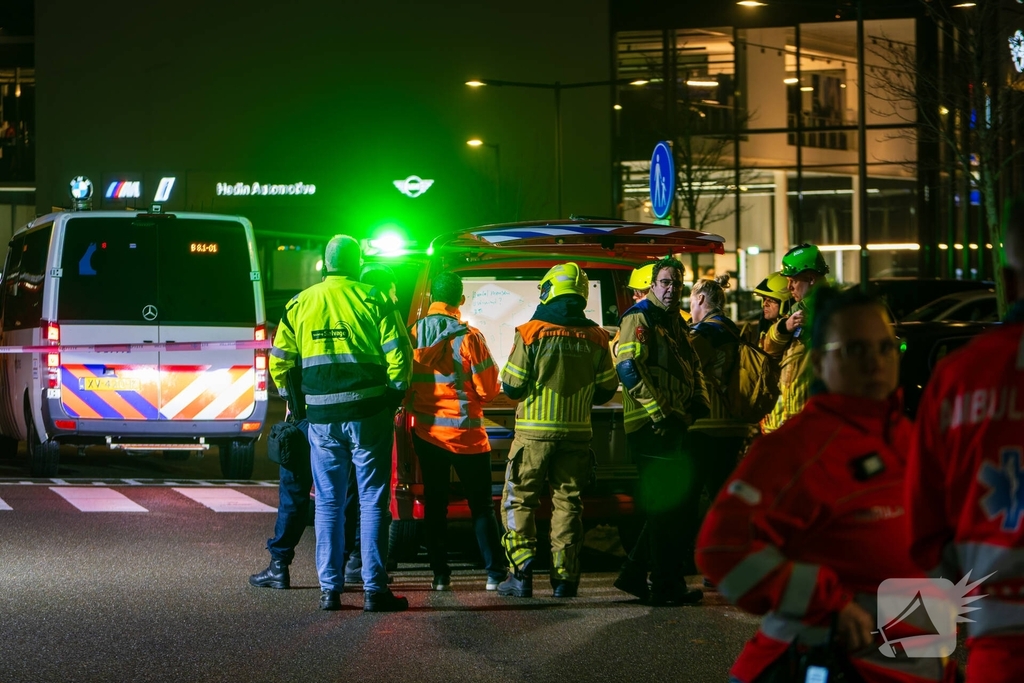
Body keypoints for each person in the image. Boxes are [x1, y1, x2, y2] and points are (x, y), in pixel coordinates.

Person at [696, 287, 954, 683]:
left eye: (886, 347)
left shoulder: (907, 439)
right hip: (818, 667)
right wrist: (825, 603)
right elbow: (721, 548)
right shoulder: (796, 448)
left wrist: (940, 667)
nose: (875, 362)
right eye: (854, 349)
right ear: (819, 361)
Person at [906, 200, 1024, 683]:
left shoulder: (956, 378)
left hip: (997, 650)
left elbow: (921, 538)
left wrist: (919, 667)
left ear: (1009, 282)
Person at [269, 235, 412, 612]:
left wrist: (296, 402)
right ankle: (372, 590)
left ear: (325, 263)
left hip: (321, 419)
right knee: (372, 502)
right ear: (358, 261)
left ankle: (329, 590)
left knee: (328, 503)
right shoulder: (375, 299)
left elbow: (279, 361)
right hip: (368, 416)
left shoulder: (301, 303)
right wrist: (391, 399)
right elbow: (400, 358)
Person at [497, 262, 618, 598]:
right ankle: (565, 579)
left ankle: (520, 575)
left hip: (533, 435)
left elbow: (512, 386)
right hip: (577, 434)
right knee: (568, 504)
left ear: (549, 290)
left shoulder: (530, 332)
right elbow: (607, 389)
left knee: (519, 500)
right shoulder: (596, 336)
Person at [613, 255, 710, 605]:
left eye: (677, 285)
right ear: (653, 285)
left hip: (673, 422)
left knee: (671, 507)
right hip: (651, 425)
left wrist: (699, 399)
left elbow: (691, 366)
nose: (671, 290)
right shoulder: (641, 317)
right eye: (666, 283)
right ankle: (664, 585)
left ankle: (637, 576)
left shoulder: (675, 323)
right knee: (670, 508)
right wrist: (660, 414)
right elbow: (628, 368)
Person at [407, 271, 506, 592]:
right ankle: (494, 573)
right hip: (467, 437)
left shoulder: (412, 336)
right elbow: (489, 389)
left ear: (432, 297)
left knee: (435, 505)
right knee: (480, 506)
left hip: (427, 435)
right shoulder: (469, 338)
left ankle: (440, 575)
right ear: (460, 300)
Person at [688, 275, 753, 534]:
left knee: (691, 497)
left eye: (691, 302)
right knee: (722, 494)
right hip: (732, 422)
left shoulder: (706, 332)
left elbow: (686, 364)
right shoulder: (730, 327)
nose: (691, 309)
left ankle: (694, 557)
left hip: (708, 424)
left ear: (701, 299)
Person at [760, 244, 830, 434]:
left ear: (811, 278)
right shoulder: (795, 312)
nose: (789, 287)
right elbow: (768, 348)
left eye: (793, 281)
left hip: (810, 424)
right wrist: (785, 327)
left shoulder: (834, 313)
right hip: (785, 422)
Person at [740, 272, 791, 348]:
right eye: (764, 299)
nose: (765, 304)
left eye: (771, 300)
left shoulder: (791, 333)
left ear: (786, 304)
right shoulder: (764, 328)